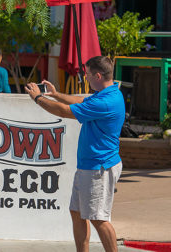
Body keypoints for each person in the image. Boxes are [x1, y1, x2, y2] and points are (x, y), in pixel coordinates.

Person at [24, 56, 124, 252]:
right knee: (77, 212)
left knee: (98, 218)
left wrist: (38, 98)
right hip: (90, 165)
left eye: (87, 75)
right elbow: (81, 101)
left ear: (97, 75)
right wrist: (55, 94)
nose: (85, 78)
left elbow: (64, 112)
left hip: (99, 167)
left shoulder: (107, 101)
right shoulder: (107, 92)